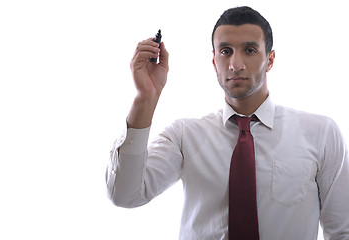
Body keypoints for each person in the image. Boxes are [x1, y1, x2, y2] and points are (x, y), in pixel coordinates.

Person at [106, 6, 349, 240]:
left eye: (250, 50)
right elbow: (125, 195)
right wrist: (144, 98)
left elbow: (342, 231)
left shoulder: (321, 133)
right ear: (214, 61)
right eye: (225, 51)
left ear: (271, 59)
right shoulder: (184, 136)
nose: (235, 64)